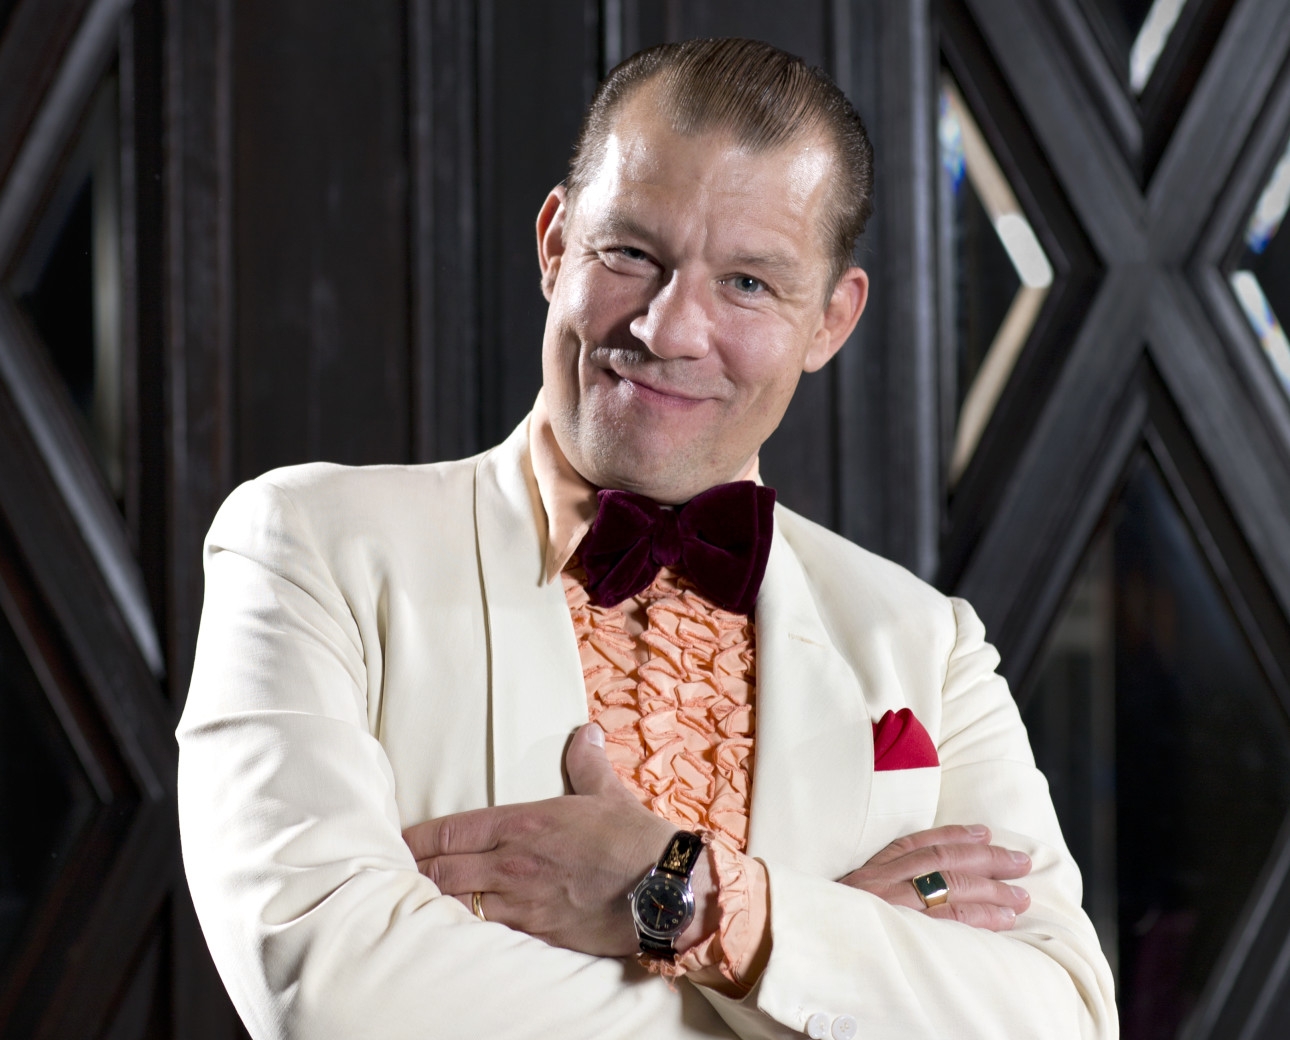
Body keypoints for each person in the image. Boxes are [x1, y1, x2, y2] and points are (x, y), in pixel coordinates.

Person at [178, 37, 1117, 1039]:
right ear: (555, 244)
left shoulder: (929, 642)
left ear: (831, 321)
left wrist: (699, 901)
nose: (669, 331)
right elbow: (332, 990)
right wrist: (819, 966)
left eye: (748, 283)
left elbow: (1061, 1017)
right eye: (630, 254)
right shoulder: (308, 546)